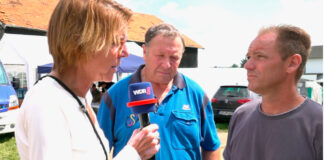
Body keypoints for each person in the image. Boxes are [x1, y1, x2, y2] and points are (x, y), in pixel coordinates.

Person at [15, 0, 160, 160]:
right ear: (81, 43)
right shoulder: (47, 102)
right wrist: (133, 153)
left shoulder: (79, 97)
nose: (125, 52)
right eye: (116, 42)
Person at [97, 23, 222, 160]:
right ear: (144, 52)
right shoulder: (115, 96)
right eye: (160, 55)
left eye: (174, 58)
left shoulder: (196, 94)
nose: (166, 64)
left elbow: (211, 148)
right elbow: (96, 152)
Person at [223, 25, 323, 160]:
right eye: (248, 57)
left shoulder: (318, 122)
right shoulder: (241, 115)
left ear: (292, 63)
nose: (247, 65)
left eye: (260, 56)